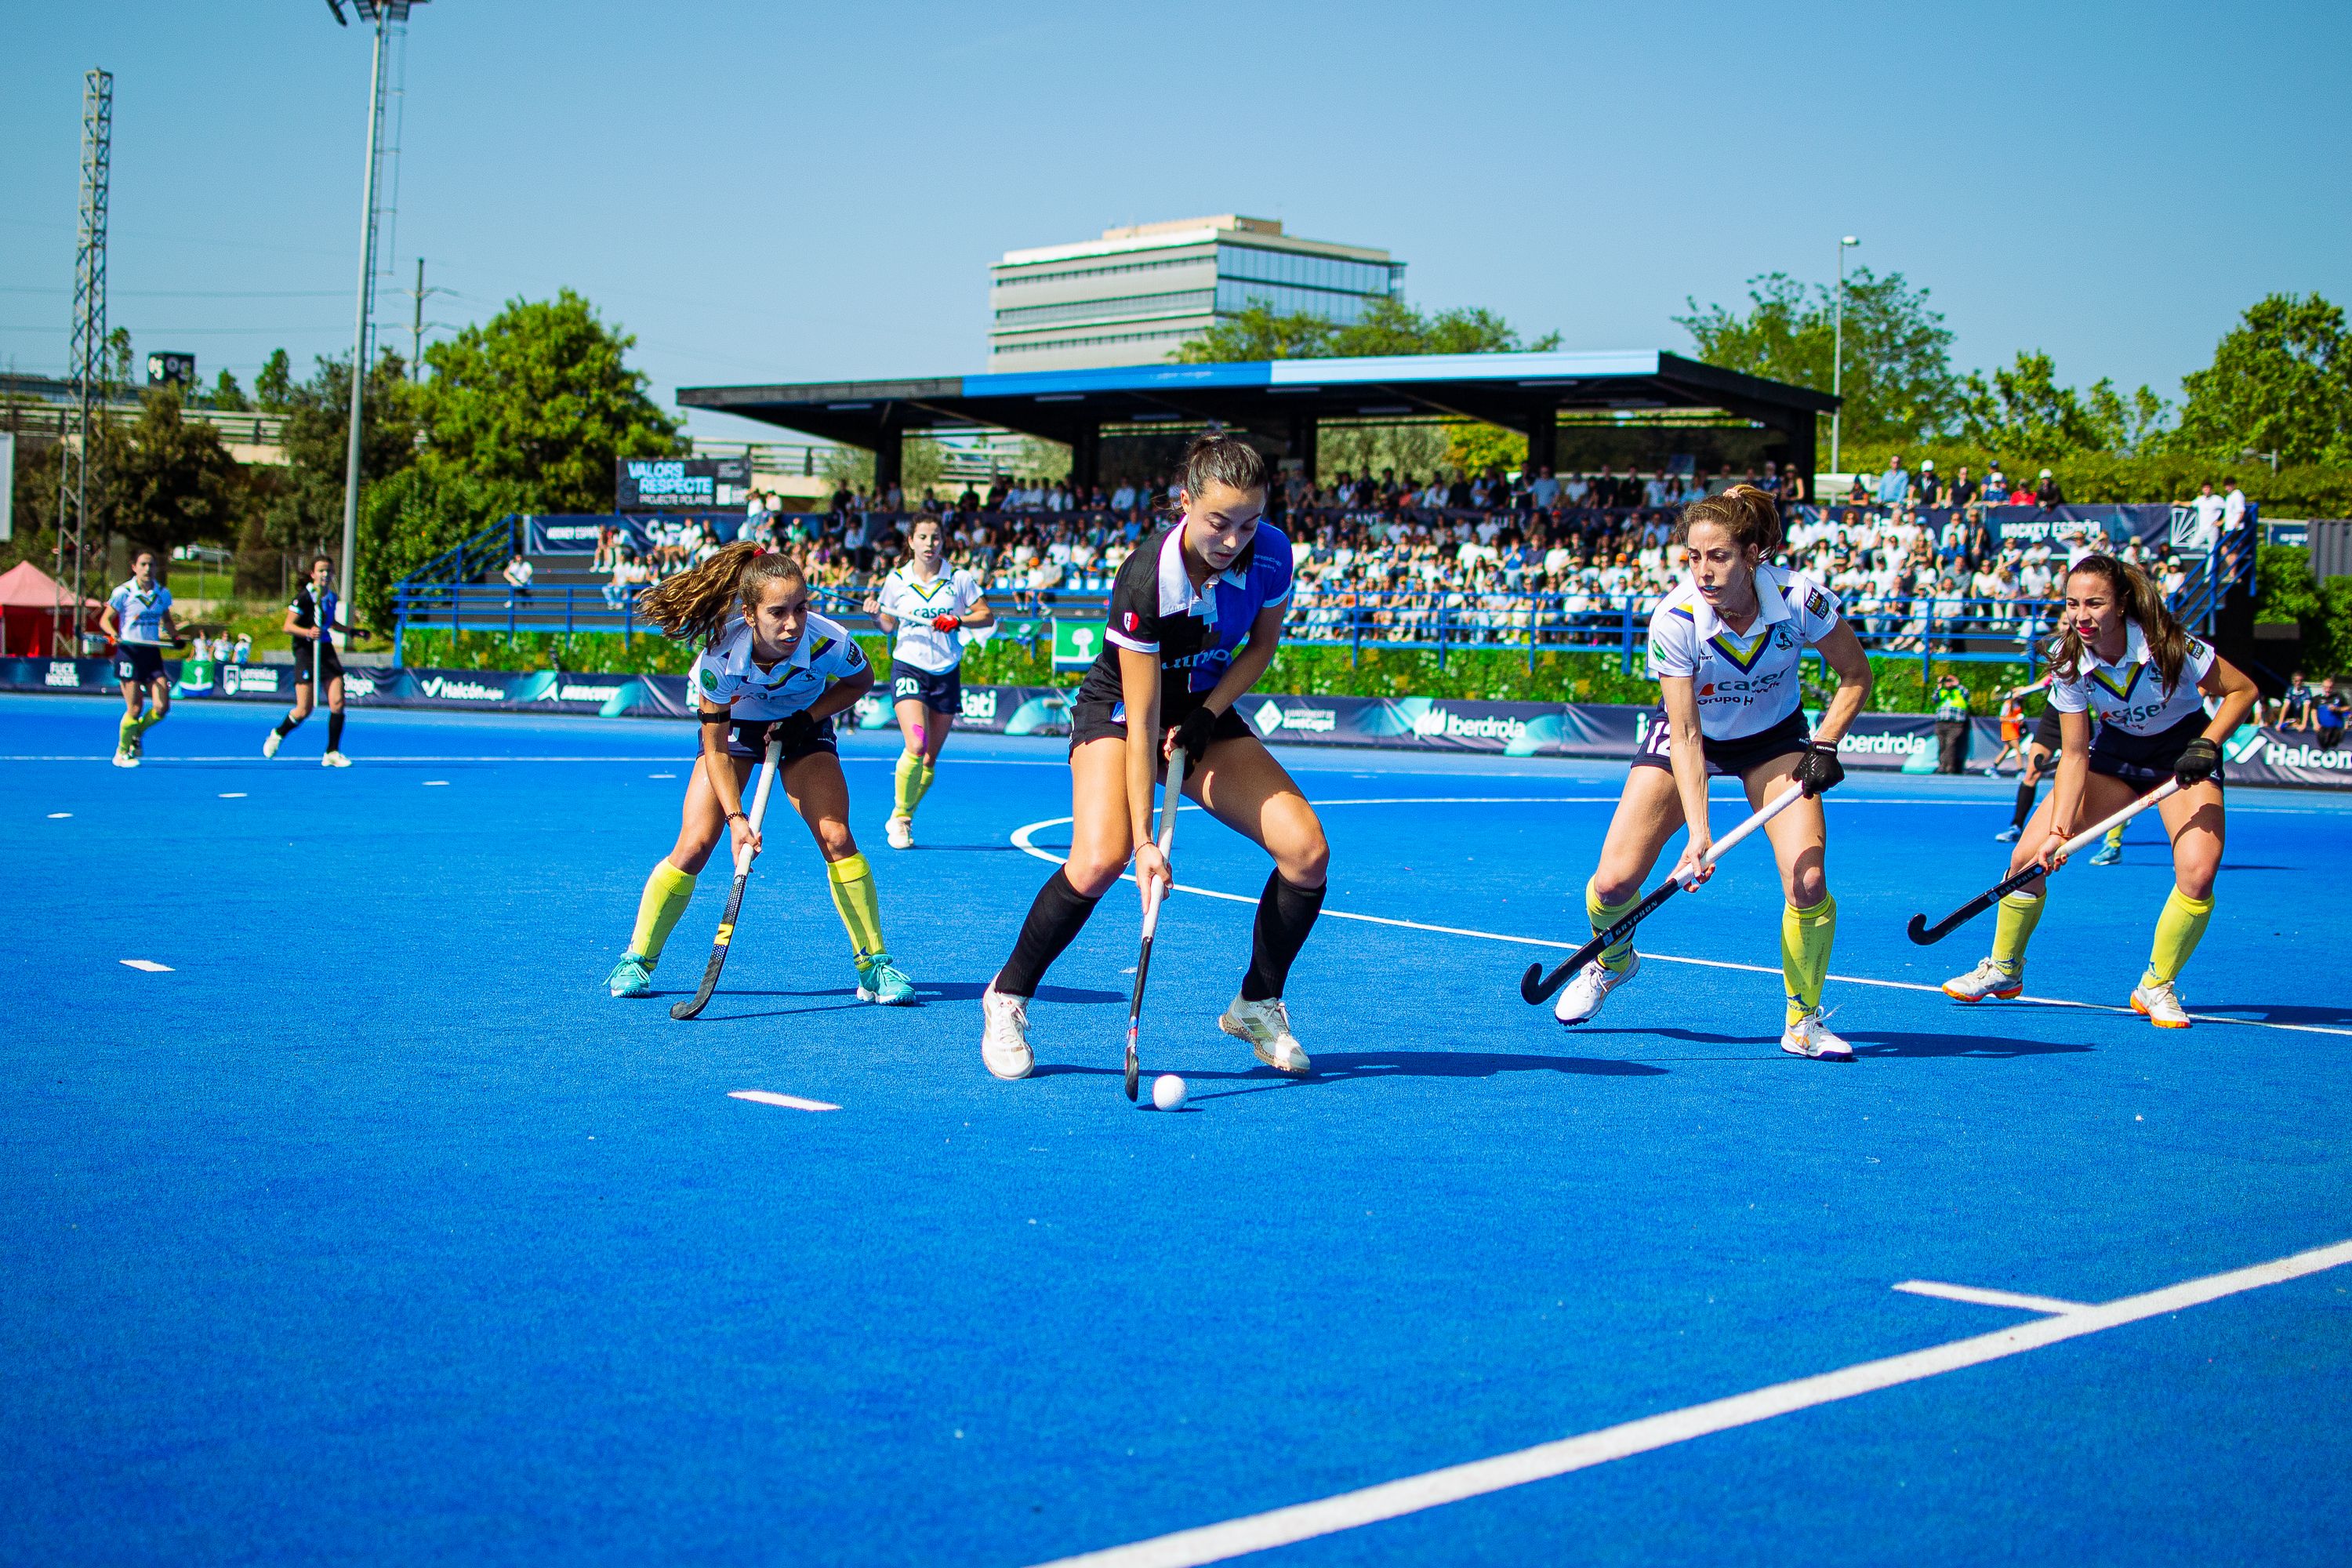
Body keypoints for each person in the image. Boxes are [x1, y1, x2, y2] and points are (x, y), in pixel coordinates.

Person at [978, 432, 1329, 1082]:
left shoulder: (1274, 553)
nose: (1233, 540)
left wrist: (1207, 715)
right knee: (1100, 857)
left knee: (1306, 853)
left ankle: (1257, 1001)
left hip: (1204, 706)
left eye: (1249, 523)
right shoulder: (1146, 579)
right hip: (1120, 710)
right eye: (1219, 523)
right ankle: (1006, 996)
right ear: (1185, 503)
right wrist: (1144, 842)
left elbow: (1259, 647)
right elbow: (1141, 722)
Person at [1548, 484, 1874, 1059]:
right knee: (1613, 885)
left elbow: (1855, 676)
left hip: (1773, 740)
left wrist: (1824, 745)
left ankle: (1803, 1021)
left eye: (1719, 556)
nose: (1703, 571)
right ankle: (1614, 961)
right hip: (1689, 735)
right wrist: (1700, 835)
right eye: (1693, 557)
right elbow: (1688, 734)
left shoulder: (1801, 600)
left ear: (1753, 554)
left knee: (1808, 880)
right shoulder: (1675, 619)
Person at [1944, 554, 2257, 1026]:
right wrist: (2060, 832)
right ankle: (2004, 970)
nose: (2081, 616)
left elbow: (2243, 690)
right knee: (2028, 859)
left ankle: (2157, 986)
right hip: (2114, 762)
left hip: (2182, 761)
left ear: (2122, 604)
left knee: (2198, 871)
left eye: (2095, 603)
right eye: (2072, 604)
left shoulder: (2169, 645)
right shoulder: (2067, 658)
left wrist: (2208, 744)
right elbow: (2073, 754)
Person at [604, 543, 914, 1006]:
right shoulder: (718, 657)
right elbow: (714, 743)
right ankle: (638, 959)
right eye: (777, 612)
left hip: (803, 724)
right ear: (749, 614)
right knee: (694, 845)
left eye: (800, 608)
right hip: (735, 732)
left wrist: (807, 718)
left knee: (836, 836)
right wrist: (736, 820)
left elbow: (860, 682)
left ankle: (874, 965)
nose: (792, 624)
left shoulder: (829, 641)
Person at [862, 514, 995, 850]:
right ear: (911, 542)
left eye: (935, 537)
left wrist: (958, 619)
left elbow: (986, 616)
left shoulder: (959, 579)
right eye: (922, 537)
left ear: (943, 541)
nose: (929, 544)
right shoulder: (896, 580)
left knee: (929, 761)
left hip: (947, 670)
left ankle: (903, 815)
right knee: (916, 745)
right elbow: (889, 626)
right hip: (910, 666)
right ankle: (902, 819)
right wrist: (877, 614)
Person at [264, 556, 364, 767]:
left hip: (325, 650)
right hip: (306, 652)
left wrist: (352, 631)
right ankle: (278, 733)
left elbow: (330, 622)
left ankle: (332, 752)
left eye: (329, 571)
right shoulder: (304, 597)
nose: (325, 575)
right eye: (321, 571)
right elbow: (288, 626)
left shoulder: (331, 597)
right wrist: (308, 632)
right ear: (313, 574)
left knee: (338, 702)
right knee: (304, 709)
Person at [101, 549, 180, 768]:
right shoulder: (123, 592)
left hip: (152, 652)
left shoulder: (163, 593)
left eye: (151, 565)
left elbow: (167, 620)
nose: (148, 569)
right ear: (134, 567)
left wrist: (175, 637)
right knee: (135, 708)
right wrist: (112, 634)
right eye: (143, 564)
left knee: (162, 706)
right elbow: (105, 620)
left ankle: (136, 733)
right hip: (129, 652)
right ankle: (121, 752)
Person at [1933, 673, 1972, 773]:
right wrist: (1939, 685)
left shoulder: (1959, 691)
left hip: (1956, 724)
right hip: (1941, 723)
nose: (1948, 683)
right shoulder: (1942, 692)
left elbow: (1967, 694)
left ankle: (1950, 767)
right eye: (1947, 681)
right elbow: (1934, 699)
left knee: (1951, 744)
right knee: (1942, 745)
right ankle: (1942, 766)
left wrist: (1957, 683)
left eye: (1950, 681)